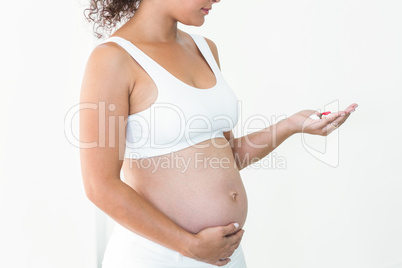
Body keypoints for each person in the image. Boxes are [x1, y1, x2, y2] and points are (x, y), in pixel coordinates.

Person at [79, 0, 358, 267]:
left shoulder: (205, 49)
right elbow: (100, 186)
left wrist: (290, 125)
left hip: (226, 257)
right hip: (157, 258)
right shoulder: (112, 59)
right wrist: (190, 245)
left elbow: (227, 155)